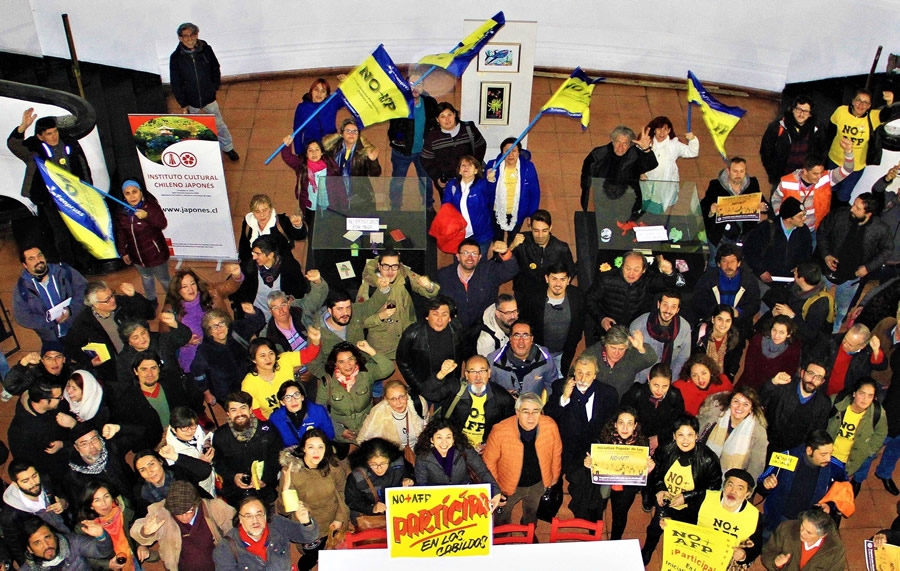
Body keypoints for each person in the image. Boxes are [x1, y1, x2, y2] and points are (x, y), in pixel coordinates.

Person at [7, 110, 94, 269]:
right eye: (49, 134)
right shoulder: (33, 149)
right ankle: (68, 267)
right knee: (59, 235)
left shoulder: (69, 143)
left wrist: (88, 190)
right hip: (50, 200)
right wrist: (23, 127)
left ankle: (85, 263)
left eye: (55, 132)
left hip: (73, 196)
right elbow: (13, 144)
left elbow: (82, 166)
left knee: (79, 230)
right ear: (40, 136)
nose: (54, 136)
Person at [640, 414, 722, 565]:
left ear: (697, 436)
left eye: (690, 435)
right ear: (674, 436)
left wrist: (687, 497)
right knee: (654, 528)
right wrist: (660, 489)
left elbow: (714, 489)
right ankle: (647, 550)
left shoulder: (708, 459)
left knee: (685, 538)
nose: (685, 440)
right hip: (666, 501)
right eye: (681, 435)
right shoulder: (665, 450)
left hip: (692, 508)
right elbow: (657, 473)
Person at [565, 405, 648, 536]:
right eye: (621, 423)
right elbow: (587, 458)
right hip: (603, 484)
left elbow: (642, 472)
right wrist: (588, 463)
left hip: (626, 488)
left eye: (630, 423)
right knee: (596, 509)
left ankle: (615, 540)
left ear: (635, 425)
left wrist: (649, 468)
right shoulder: (602, 440)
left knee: (620, 515)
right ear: (615, 424)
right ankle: (594, 535)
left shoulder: (642, 444)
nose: (625, 428)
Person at [483, 392, 562, 526]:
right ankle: (503, 538)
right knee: (501, 517)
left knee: (531, 514)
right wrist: (495, 489)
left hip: (538, 483)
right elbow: (489, 462)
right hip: (507, 486)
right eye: (526, 411)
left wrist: (553, 479)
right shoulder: (500, 430)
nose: (531, 417)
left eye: (535, 411)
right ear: (517, 412)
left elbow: (556, 452)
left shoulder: (550, 425)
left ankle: (529, 535)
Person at [818, 192, 893, 332]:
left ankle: (835, 331)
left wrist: (868, 268)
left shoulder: (880, 229)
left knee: (842, 309)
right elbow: (822, 232)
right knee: (818, 302)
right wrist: (826, 254)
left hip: (851, 278)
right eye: (854, 205)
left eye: (857, 208)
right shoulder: (839, 215)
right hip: (827, 271)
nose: (852, 209)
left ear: (868, 214)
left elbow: (887, 249)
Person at [277, 429, 349, 571]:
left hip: (331, 519)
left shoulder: (333, 466)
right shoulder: (292, 471)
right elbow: (285, 509)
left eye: (320, 447)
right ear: (303, 448)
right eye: (311, 447)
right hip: (308, 524)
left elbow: (342, 492)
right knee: (311, 555)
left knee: (332, 547)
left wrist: (340, 517)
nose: (316, 452)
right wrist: (285, 488)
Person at [352, 248, 440, 360]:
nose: (390, 271)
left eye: (394, 266)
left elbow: (431, 293)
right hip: (381, 349)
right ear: (379, 266)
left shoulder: (405, 276)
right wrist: (380, 317)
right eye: (385, 266)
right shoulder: (368, 287)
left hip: (407, 343)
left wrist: (429, 286)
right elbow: (358, 320)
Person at [169, 23, 238, 161]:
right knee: (193, 128)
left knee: (219, 124)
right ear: (180, 38)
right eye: (185, 36)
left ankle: (228, 147)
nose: (189, 39)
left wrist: (214, 86)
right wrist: (183, 103)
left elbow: (215, 68)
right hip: (190, 101)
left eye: (192, 35)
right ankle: (201, 154)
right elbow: (175, 82)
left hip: (209, 97)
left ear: (197, 35)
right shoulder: (176, 58)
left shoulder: (206, 50)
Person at [63, 280, 156, 383]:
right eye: (107, 300)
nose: (112, 300)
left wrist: (134, 296)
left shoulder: (123, 303)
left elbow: (150, 313)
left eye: (112, 294)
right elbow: (71, 347)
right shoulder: (84, 323)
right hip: (117, 371)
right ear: (95, 304)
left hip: (144, 357)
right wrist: (89, 362)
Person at [131, 480, 234, 571]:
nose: (184, 517)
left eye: (189, 511)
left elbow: (235, 530)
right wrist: (145, 532)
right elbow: (135, 530)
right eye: (178, 514)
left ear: (196, 503)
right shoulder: (162, 513)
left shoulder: (215, 508)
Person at [419, 355, 516, 452]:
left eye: (482, 371)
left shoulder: (502, 397)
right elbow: (428, 393)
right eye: (473, 371)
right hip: (454, 447)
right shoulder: (455, 388)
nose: (478, 377)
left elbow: (509, 426)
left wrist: (491, 443)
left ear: (489, 373)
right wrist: (441, 374)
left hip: (484, 449)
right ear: (466, 374)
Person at [584, 252, 680, 344]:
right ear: (622, 267)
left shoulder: (647, 279)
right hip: (607, 331)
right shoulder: (606, 278)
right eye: (628, 268)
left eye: (636, 270)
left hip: (635, 332)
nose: (631, 273)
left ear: (643, 270)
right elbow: (590, 299)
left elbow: (666, 283)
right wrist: (602, 318)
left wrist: (669, 272)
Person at [162, 265, 245, 371]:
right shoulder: (171, 308)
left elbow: (229, 286)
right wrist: (184, 341)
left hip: (220, 347)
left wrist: (236, 275)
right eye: (184, 286)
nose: (190, 289)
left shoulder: (211, 292)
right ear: (177, 290)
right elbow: (165, 338)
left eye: (193, 284)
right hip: (193, 356)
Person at [316, 341, 393, 452]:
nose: (347, 365)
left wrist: (370, 350)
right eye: (341, 362)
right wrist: (339, 430)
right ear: (335, 364)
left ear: (356, 359)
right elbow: (320, 410)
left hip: (368, 430)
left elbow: (388, 368)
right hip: (340, 435)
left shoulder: (366, 372)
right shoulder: (327, 382)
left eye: (351, 359)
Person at [118, 350, 202, 452]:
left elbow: (186, 408)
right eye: (144, 369)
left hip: (185, 435)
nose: (149, 374)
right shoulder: (128, 400)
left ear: (159, 369)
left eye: (153, 368)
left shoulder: (171, 384)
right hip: (157, 448)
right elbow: (135, 434)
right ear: (135, 371)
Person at [758, 430, 836, 536]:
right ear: (809, 451)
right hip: (777, 518)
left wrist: (829, 505)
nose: (828, 458)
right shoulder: (786, 457)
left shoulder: (833, 467)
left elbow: (838, 491)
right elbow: (762, 481)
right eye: (823, 454)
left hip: (805, 522)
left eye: (830, 453)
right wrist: (765, 484)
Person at [212, 391, 284, 507]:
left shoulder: (268, 431)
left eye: (243, 408)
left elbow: (276, 458)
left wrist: (265, 479)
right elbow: (218, 462)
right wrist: (233, 476)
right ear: (228, 414)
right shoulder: (220, 436)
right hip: (235, 494)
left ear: (250, 410)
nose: (239, 413)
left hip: (264, 491)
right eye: (233, 410)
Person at [213, 496, 319, 571]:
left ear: (265, 516)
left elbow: (309, 537)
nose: (255, 521)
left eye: (259, 514)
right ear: (240, 519)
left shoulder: (277, 524)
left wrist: (306, 522)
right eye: (248, 516)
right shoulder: (225, 548)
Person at [412, 418, 502, 507]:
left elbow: (482, 472)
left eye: (448, 437)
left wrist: (496, 492)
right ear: (432, 440)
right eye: (439, 437)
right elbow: (422, 485)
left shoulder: (464, 450)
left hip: (465, 497)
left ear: (453, 438)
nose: (444, 442)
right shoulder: (423, 457)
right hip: (437, 501)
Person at [518, 263, 585, 375]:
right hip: (536, 353)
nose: (558, 284)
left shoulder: (577, 297)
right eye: (554, 279)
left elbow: (580, 323)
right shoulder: (533, 298)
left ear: (568, 280)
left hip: (563, 354)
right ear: (546, 278)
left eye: (562, 279)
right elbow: (524, 323)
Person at [771, 145, 855, 235]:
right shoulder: (787, 182)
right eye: (815, 174)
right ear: (805, 171)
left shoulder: (826, 178)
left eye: (821, 172)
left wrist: (848, 152)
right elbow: (776, 199)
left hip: (814, 230)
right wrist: (783, 217)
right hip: (793, 230)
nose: (819, 177)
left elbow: (847, 169)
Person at [13, 245, 87, 346]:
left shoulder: (63, 271)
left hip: (78, 328)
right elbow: (22, 317)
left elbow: (84, 289)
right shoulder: (22, 287)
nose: (38, 260)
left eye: (40, 255)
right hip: (51, 339)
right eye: (31, 259)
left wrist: (71, 310)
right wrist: (49, 320)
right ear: (25, 265)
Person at [437, 238, 519, 329]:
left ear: (480, 257)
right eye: (465, 253)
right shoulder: (444, 275)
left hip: (483, 327)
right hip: (453, 328)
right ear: (457, 256)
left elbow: (511, 270)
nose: (470, 258)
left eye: (474, 254)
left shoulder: (488, 271)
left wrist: (505, 253)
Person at [1, 462, 70, 568]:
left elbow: (66, 496)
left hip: (70, 539)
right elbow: (16, 548)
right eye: (25, 481)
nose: (33, 483)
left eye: (34, 476)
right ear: (15, 484)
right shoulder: (10, 515)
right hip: (44, 557)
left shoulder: (47, 480)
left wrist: (63, 503)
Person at [395, 296, 463, 403]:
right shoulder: (412, 333)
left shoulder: (457, 329)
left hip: (449, 385)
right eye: (435, 314)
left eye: (444, 315)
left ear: (450, 317)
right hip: (424, 386)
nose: (439, 320)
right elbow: (402, 362)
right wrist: (418, 387)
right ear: (427, 316)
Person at [700, 157, 766, 266]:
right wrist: (711, 210)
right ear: (728, 171)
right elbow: (703, 206)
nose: (738, 175)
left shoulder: (752, 184)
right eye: (735, 171)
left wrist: (764, 207)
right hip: (720, 234)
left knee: (739, 263)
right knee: (715, 262)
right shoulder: (715, 186)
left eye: (742, 171)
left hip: (742, 234)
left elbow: (763, 201)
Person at [759, 358, 833, 456]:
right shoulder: (784, 387)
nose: (813, 380)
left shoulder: (824, 403)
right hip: (769, 443)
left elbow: (817, 432)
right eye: (810, 373)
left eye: (819, 377)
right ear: (802, 373)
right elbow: (759, 399)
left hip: (796, 452)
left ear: (822, 381)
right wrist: (773, 382)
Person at [114, 180, 170, 306]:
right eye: (127, 193)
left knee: (164, 280)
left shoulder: (150, 206)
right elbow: (121, 233)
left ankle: (175, 301)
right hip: (137, 256)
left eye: (135, 192)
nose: (132, 196)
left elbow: (162, 223)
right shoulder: (122, 212)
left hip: (156, 255)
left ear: (141, 192)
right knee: (146, 278)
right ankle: (151, 301)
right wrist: (123, 252)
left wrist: (147, 216)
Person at [827, 377, 887, 494]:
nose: (865, 399)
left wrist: (869, 451)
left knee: (837, 490)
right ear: (854, 393)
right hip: (828, 454)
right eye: (862, 393)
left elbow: (881, 433)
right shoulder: (835, 402)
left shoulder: (878, 413)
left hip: (849, 460)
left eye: (870, 396)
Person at [580, 124, 658, 216]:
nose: (620, 147)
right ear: (612, 141)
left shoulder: (635, 155)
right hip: (601, 200)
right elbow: (586, 176)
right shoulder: (598, 154)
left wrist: (646, 150)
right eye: (618, 142)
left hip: (626, 202)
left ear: (630, 145)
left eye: (625, 143)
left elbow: (651, 164)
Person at [241, 332, 321, 421]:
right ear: (253, 359)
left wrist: (316, 341)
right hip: (274, 422)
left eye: (271, 353)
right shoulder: (248, 384)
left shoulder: (284, 359)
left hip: (299, 412)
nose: (268, 358)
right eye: (262, 355)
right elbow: (256, 412)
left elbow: (309, 355)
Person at [261, 285, 328, 386]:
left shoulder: (300, 313)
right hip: (296, 379)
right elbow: (269, 365)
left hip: (320, 364)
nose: (281, 311)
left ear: (288, 304)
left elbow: (316, 297)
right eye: (275, 308)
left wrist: (317, 282)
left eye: (283, 305)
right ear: (270, 311)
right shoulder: (267, 335)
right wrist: (293, 372)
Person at [191, 309, 259, 408]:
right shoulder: (205, 350)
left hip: (250, 386)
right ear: (209, 331)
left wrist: (252, 311)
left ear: (227, 324)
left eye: (221, 323)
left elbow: (257, 321)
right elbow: (197, 372)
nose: (219, 329)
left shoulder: (236, 335)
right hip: (227, 395)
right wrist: (207, 393)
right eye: (214, 326)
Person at [232, 235, 309, 323]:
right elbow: (238, 292)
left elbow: (300, 290)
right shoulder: (250, 267)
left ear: (270, 255)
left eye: (258, 254)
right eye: (253, 253)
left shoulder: (289, 267)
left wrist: (291, 298)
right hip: (256, 315)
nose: (254, 257)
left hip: (282, 316)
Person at [696, 469, 764, 568]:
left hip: (728, 558)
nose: (733, 491)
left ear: (747, 495)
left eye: (740, 488)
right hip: (698, 551)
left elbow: (756, 546)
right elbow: (686, 518)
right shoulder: (705, 498)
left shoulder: (754, 516)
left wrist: (743, 556)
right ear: (724, 486)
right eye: (730, 485)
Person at [7, 383, 74, 483]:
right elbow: (28, 464)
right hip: (55, 471)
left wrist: (63, 443)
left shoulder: (55, 406)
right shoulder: (21, 432)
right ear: (43, 401)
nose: (63, 398)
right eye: (58, 397)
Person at [387, 78, 438, 209]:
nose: (414, 88)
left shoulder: (430, 103)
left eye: (418, 84)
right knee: (398, 180)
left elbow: (435, 124)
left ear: (423, 88)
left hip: (423, 152)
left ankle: (428, 206)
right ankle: (395, 206)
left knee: (425, 180)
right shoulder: (397, 103)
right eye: (411, 85)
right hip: (401, 152)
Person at [692, 244, 760, 340]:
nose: (729, 266)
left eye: (732, 261)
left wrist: (738, 312)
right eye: (724, 261)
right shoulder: (708, 279)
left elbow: (755, 304)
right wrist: (717, 313)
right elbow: (698, 301)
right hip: (712, 323)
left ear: (739, 263)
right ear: (719, 263)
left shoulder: (749, 280)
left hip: (739, 325)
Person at [697, 387, 769, 480]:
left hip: (731, 484)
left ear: (751, 409)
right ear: (730, 402)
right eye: (736, 401)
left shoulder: (758, 432)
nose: (739, 407)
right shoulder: (713, 417)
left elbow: (756, 466)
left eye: (745, 404)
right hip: (700, 471)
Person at [743, 196, 813, 288]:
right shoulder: (765, 228)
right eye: (800, 216)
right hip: (766, 281)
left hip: (791, 282)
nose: (804, 218)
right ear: (788, 219)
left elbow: (807, 252)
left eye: (804, 214)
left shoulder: (803, 231)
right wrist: (761, 271)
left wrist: (800, 267)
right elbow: (750, 251)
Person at [760, 95, 829, 188]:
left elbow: (823, 151)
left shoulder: (817, 128)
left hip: (805, 176)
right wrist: (773, 173)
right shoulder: (777, 126)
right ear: (792, 109)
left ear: (810, 114)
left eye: (805, 111)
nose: (801, 114)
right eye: (798, 109)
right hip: (782, 176)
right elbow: (765, 151)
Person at [66, 424, 140, 510]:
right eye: (84, 444)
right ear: (77, 448)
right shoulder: (76, 476)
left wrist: (119, 428)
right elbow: (81, 506)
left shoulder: (111, 447)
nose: (92, 446)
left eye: (94, 440)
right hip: (116, 511)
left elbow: (142, 433)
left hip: (140, 495)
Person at [508, 209, 576, 303]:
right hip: (523, 292)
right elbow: (503, 265)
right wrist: (511, 247)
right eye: (536, 231)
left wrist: (558, 286)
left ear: (550, 228)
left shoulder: (561, 248)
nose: (540, 235)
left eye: (544, 230)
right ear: (530, 227)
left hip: (547, 294)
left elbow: (571, 270)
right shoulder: (521, 243)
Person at [280, 137, 341, 241]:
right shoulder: (302, 165)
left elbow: (338, 184)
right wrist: (286, 145)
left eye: (317, 149)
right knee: (313, 230)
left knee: (330, 229)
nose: (314, 153)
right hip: (310, 206)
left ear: (322, 152)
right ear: (306, 153)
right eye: (310, 150)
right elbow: (288, 157)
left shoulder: (330, 165)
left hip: (328, 205)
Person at [77, 480, 147, 570]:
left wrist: (142, 544)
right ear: (91, 505)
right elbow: (86, 557)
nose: (104, 503)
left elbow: (136, 528)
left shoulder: (125, 509)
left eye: (106, 496)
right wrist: (108, 564)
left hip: (132, 557)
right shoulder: (84, 527)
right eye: (97, 500)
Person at [828, 88, 882, 203]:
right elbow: (830, 131)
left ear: (869, 106)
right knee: (830, 190)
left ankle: (838, 217)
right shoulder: (841, 111)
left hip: (855, 166)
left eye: (865, 102)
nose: (861, 105)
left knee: (843, 196)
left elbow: (889, 113)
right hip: (835, 160)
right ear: (852, 101)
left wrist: (889, 102)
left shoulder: (873, 116)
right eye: (858, 100)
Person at [576, 325, 657, 400]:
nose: (616, 353)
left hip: (620, 403)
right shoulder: (592, 354)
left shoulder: (631, 355)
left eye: (621, 349)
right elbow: (574, 374)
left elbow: (651, 359)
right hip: (594, 403)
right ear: (605, 344)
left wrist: (641, 348)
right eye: (613, 348)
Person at [621, 363, 686, 456]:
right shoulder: (636, 392)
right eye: (656, 385)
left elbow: (679, 424)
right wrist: (641, 441)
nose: (659, 390)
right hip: (635, 443)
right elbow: (622, 418)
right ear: (648, 378)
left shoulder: (674, 396)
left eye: (665, 386)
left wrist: (659, 438)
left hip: (663, 446)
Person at [421, 102, 487, 193]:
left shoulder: (469, 128)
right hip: (447, 184)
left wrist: (473, 167)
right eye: (442, 116)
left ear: (455, 114)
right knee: (449, 207)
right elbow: (426, 159)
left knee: (473, 205)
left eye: (449, 115)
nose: (447, 119)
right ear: (437, 119)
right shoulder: (432, 136)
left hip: (471, 180)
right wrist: (437, 178)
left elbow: (481, 146)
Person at [345, 438, 413, 525]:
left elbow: (412, 473)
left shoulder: (400, 464)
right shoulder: (357, 476)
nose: (379, 468)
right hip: (372, 520)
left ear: (390, 459)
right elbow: (352, 500)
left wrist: (409, 479)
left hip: (399, 516)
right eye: (373, 464)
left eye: (383, 463)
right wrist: (372, 508)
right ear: (366, 462)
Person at [485, 138, 541, 241]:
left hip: (518, 211)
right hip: (497, 211)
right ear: (502, 152)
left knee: (513, 239)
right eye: (507, 151)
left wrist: (532, 214)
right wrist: (490, 180)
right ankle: (497, 257)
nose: (510, 154)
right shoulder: (492, 166)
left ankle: (511, 257)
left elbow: (534, 193)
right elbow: (487, 192)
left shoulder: (529, 167)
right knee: (497, 240)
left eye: (514, 151)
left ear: (519, 152)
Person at [767, 261, 835, 346]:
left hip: (799, 340)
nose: (794, 272)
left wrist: (791, 315)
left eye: (796, 272)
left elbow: (811, 333)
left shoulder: (820, 303)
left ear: (802, 279)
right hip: (787, 326)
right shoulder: (796, 287)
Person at [629, 290, 691, 384]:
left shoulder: (684, 328)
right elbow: (631, 359)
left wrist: (670, 383)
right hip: (641, 380)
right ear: (658, 304)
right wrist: (637, 383)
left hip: (668, 381)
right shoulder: (638, 325)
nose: (668, 310)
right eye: (665, 305)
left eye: (673, 307)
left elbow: (682, 360)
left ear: (678, 310)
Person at [640, 116, 699, 213]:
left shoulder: (674, 145)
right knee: (643, 205)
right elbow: (637, 160)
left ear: (669, 131)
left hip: (664, 186)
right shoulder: (647, 142)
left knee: (657, 211)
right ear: (654, 130)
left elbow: (692, 152)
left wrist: (693, 140)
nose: (662, 133)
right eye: (659, 129)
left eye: (665, 129)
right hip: (646, 183)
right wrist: (640, 172)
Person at [487, 321, 560, 399]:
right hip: (505, 407)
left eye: (525, 336)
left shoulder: (545, 358)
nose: (521, 341)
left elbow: (553, 386)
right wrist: (503, 396)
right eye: (517, 335)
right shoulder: (494, 360)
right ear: (510, 338)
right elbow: (486, 388)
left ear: (532, 339)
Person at [114, 314, 191, 385]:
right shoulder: (124, 359)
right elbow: (125, 384)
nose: (142, 339)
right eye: (135, 337)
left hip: (175, 385)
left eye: (143, 333)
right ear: (129, 342)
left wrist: (174, 323)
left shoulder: (161, 340)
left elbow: (184, 337)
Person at [322, 118, 381, 212]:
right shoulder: (332, 148)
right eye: (348, 131)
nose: (351, 134)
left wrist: (373, 160)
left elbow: (375, 173)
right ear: (342, 133)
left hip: (358, 196)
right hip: (335, 193)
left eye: (355, 131)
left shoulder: (364, 151)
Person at [761, 507, 846, 571]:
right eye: (802, 527)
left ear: (822, 535)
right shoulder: (786, 528)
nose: (802, 533)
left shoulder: (835, 550)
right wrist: (775, 563)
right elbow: (768, 551)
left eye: (809, 532)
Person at [441, 155, 495, 253]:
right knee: (459, 262)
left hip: (480, 234)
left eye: (470, 165)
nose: (466, 168)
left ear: (476, 170)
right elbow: (445, 205)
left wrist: (491, 181)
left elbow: (491, 195)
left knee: (480, 263)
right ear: (459, 170)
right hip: (458, 233)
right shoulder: (452, 185)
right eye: (463, 165)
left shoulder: (482, 184)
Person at [19, 516, 113, 571]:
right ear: (30, 549)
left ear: (54, 535)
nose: (46, 545)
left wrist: (101, 536)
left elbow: (103, 551)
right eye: (37, 543)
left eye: (47, 537)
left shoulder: (74, 543)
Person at [354, 379, 427, 449]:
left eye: (401, 397)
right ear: (386, 399)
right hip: (394, 453)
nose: (398, 402)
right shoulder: (378, 412)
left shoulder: (419, 403)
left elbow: (425, 423)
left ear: (407, 394)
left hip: (418, 448)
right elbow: (362, 440)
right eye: (393, 399)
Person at [237, 194, 306, 265]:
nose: (262, 215)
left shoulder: (281, 222)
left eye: (265, 210)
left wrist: (298, 225)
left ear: (271, 209)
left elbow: (300, 236)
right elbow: (244, 246)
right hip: (256, 266)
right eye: (257, 211)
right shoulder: (248, 223)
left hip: (281, 265)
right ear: (252, 212)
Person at [737, 315, 803, 390]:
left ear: (789, 334)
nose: (776, 335)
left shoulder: (793, 349)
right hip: (749, 382)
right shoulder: (758, 339)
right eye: (774, 330)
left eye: (781, 332)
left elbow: (788, 373)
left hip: (773, 388)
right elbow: (749, 365)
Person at [164, 407, 217, 498]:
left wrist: (207, 444)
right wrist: (200, 463)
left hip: (211, 479)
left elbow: (204, 437)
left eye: (193, 427)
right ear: (173, 429)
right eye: (184, 428)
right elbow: (186, 479)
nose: (190, 431)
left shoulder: (194, 427)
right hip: (200, 490)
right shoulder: (170, 453)